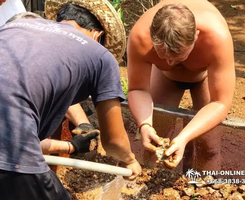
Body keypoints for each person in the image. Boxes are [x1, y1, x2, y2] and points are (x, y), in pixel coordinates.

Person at [0, 1, 141, 199]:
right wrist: (129, 160)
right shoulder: (100, 55)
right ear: (98, 35)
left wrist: (71, 146)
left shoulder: (14, 26)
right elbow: (114, 142)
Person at [127, 0, 235, 170]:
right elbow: (138, 88)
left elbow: (220, 102)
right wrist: (145, 124)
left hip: (204, 76)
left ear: (196, 36)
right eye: (162, 56)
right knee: (155, 142)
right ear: (152, 36)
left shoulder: (216, 37)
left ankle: (205, 190)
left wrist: (184, 137)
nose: (170, 62)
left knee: (208, 146)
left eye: (178, 57)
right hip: (164, 78)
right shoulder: (140, 36)